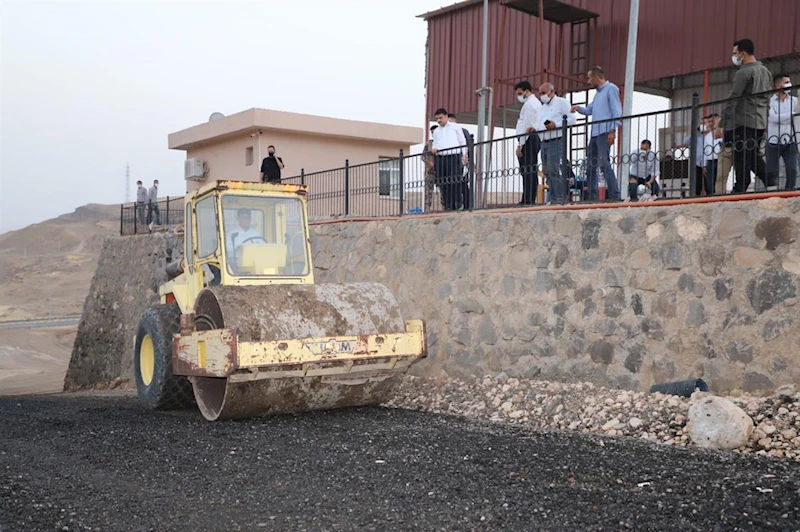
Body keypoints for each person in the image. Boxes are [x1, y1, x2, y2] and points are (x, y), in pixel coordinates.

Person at [719, 38, 773, 193]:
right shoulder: (765, 71)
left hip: (743, 119)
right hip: (760, 120)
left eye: (735, 53)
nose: (734, 57)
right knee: (751, 153)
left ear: (743, 53)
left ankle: (741, 187)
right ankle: (769, 180)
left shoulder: (744, 72)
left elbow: (734, 96)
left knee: (742, 156)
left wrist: (724, 121)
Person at [571, 66, 622, 201]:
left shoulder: (611, 89)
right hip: (595, 134)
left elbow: (616, 111)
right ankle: (592, 196)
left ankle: (614, 195)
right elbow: (590, 110)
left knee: (604, 163)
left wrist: (612, 130)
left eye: (589, 78)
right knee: (590, 166)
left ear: (596, 77)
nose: (588, 81)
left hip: (604, 132)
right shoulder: (598, 93)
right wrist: (578, 108)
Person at [536, 82, 576, 204]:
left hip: (556, 140)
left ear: (551, 91)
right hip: (544, 141)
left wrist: (556, 125)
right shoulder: (542, 108)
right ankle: (553, 197)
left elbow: (572, 119)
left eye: (543, 93)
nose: (541, 96)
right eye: (540, 94)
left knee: (554, 169)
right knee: (547, 171)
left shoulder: (562, 103)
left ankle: (559, 197)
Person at [431, 108, 468, 211]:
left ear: (446, 116)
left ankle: (458, 204)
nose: (439, 120)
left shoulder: (455, 127)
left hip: (454, 156)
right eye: (437, 118)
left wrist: (464, 155)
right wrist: (434, 149)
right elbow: (435, 143)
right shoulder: (436, 131)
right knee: (444, 182)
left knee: (455, 180)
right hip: (441, 158)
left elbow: (462, 142)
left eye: (440, 118)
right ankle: (448, 205)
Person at [766, 74, 798, 190]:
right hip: (773, 141)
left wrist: (784, 117)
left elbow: (797, 117)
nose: (789, 84)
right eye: (786, 82)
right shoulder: (770, 101)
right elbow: (772, 118)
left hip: (790, 140)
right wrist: (791, 115)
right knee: (772, 171)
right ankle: (772, 193)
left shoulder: (795, 101)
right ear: (778, 85)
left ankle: (789, 191)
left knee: (792, 170)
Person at [514, 80, 542, 205]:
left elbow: (527, 125)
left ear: (527, 91)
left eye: (520, 93)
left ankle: (528, 199)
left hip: (529, 139)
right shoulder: (535, 103)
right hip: (532, 138)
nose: (519, 96)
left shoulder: (530, 105)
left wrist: (521, 144)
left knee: (527, 170)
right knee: (530, 169)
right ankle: (529, 197)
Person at [448, 114, 474, 209]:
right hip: (453, 161)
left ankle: (467, 205)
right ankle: (453, 205)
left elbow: (468, 145)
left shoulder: (462, 131)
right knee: (452, 184)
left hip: (462, 161)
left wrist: (469, 160)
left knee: (463, 184)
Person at [703, 114, 722, 195]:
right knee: (710, 182)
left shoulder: (722, 134)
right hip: (710, 161)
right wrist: (704, 165)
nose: (711, 123)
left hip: (720, 159)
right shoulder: (707, 136)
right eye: (709, 121)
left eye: (713, 121)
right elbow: (705, 151)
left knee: (719, 179)